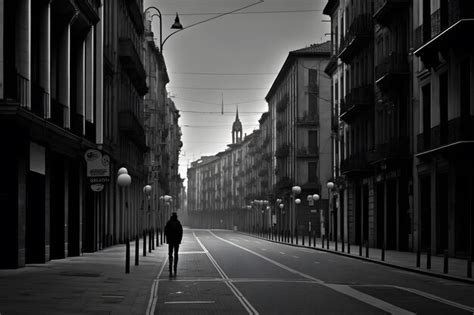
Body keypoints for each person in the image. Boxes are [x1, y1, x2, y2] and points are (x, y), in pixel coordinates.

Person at [164, 212, 183, 276]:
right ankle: (175, 267)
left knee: (170, 253)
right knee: (176, 254)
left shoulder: (168, 223)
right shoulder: (178, 223)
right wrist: (179, 240)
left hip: (170, 241)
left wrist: (168, 238)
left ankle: (170, 266)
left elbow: (165, 231)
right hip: (176, 241)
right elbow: (181, 232)